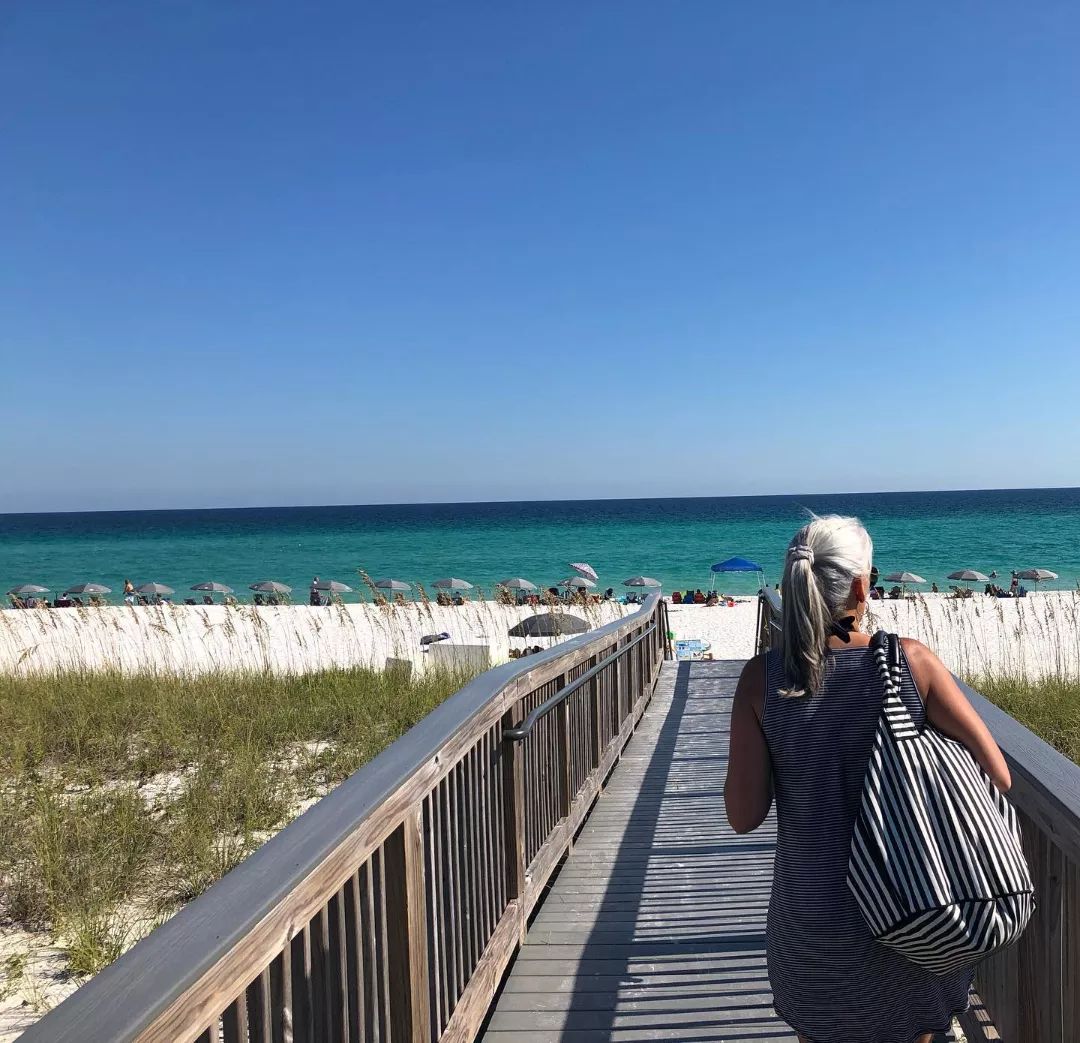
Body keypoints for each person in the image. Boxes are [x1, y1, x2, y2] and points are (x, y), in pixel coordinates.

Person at [724, 514, 1010, 1043]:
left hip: (811, 915)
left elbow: (743, 818)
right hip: (915, 904)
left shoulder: (761, 679)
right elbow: (999, 774)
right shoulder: (910, 663)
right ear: (862, 584)